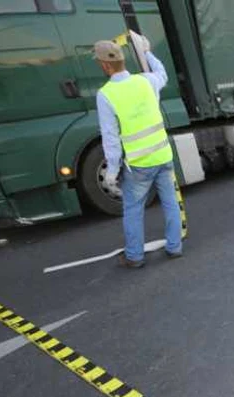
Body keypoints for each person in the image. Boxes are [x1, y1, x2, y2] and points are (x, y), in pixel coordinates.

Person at [94, 38, 182, 269]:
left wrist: (112, 172)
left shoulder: (106, 95)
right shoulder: (147, 81)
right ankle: (174, 247)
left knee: (133, 210)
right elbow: (162, 72)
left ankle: (134, 256)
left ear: (105, 66)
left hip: (139, 164)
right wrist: (147, 52)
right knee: (170, 202)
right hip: (163, 155)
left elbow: (111, 138)